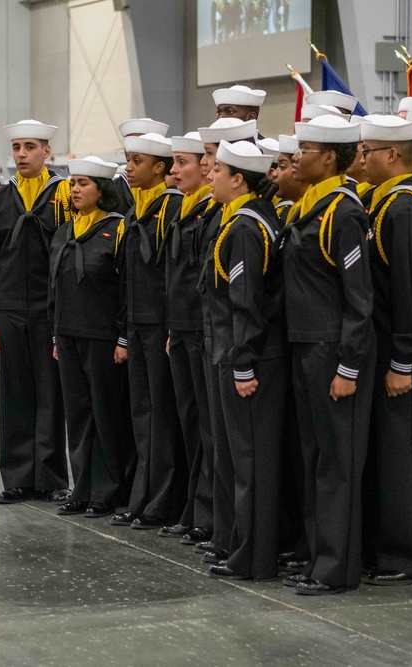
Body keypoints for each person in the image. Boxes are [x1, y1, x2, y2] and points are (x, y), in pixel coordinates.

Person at [281, 115, 374, 595]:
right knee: (314, 457)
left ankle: (336, 567)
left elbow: (359, 300)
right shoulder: (309, 208)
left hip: (333, 351)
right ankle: (318, 555)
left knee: (337, 463)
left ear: (331, 157)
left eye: (308, 148)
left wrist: (348, 365)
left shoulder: (344, 212)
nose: (299, 156)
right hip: (304, 345)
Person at [359, 114, 412, 586]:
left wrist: (401, 362)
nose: (362, 160)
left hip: (406, 352)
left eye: (367, 151)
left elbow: (411, 294)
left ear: (393, 154)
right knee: (393, 454)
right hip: (397, 346)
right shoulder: (394, 201)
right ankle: (391, 549)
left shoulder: (404, 208)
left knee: (406, 456)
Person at [0, 119, 72, 505]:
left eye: (30, 147)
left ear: (47, 152)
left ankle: (50, 478)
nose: (21, 155)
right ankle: (17, 477)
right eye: (16, 147)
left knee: (51, 393)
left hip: (50, 312)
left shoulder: (64, 198)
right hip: (11, 310)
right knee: (14, 394)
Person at [202, 140, 284, 581]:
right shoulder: (240, 220)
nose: (208, 175)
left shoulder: (247, 228)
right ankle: (239, 545)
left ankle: (253, 556)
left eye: (216, 170)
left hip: (249, 357)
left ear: (238, 179)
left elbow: (246, 302)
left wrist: (243, 362)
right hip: (235, 352)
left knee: (251, 462)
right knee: (238, 461)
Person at [110, 131, 184, 530]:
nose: (129, 168)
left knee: (162, 414)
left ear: (160, 168)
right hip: (139, 323)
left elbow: (173, 275)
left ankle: (162, 500)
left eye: (137, 161)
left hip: (161, 325)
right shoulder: (135, 209)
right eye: (128, 159)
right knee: (143, 413)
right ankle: (142, 496)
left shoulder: (171, 207)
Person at [48, 156, 126, 518]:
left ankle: (106, 490)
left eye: (83, 184)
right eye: (73, 183)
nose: (75, 190)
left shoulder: (117, 228)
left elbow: (126, 288)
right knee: (77, 415)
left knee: (105, 414)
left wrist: (123, 337)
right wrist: (55, 334)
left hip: (102, 335)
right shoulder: (64, 231)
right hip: (68, 333)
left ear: (102, 189)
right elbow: (55, 288)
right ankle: (81, 488)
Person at [159, 131, 217, 540]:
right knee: (190, 424)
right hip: (182, 328)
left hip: (202, 329)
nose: (175, 171)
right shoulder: (185, 208)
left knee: (210, 428)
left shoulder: (213, 211)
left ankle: (209, 513)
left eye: (183, 162)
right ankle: (196, 507)